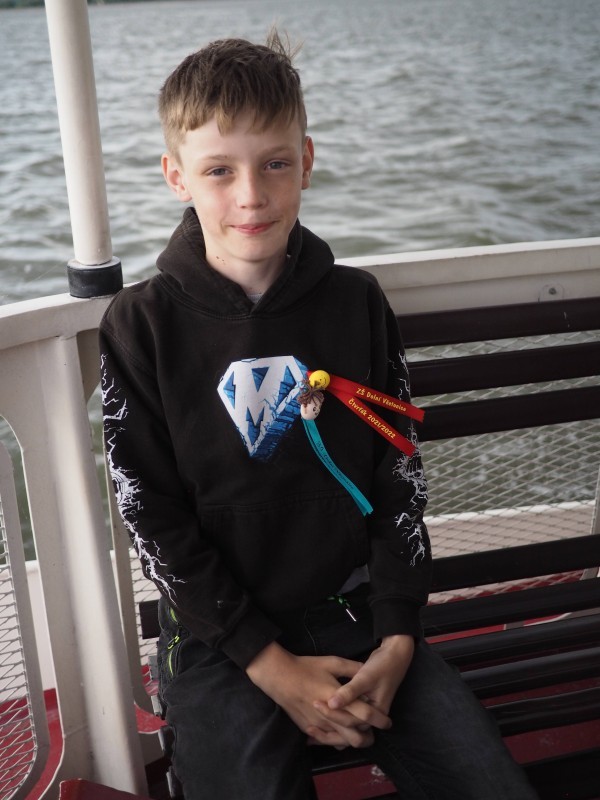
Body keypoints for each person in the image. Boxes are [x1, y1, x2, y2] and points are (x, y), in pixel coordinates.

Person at [100, 31, 538, 800]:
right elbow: (149, 514)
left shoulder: (355, 303)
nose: (251, 195)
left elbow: (399, 475)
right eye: (219, 170)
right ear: (176, 177)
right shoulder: (142, 326)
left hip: (359, 611)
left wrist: (399, 634)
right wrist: (269, 664)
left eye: (274, 163)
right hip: (216, 635)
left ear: (306, 160)